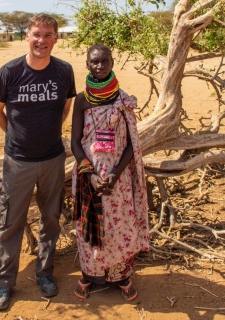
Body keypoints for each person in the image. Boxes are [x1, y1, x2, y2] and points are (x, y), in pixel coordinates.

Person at [0, 13, 76, 311]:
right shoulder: (10, 71)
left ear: (56, 38)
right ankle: (3, 283)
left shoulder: (64, 71)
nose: (42, 40)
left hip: (53, 158)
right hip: (18, 162)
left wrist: (48, 134)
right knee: (10, 221)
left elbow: (66, 106)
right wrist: (15, 136)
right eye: (37, 34)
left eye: (48, 34)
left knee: (51, 219)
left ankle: (44, 273)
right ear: (27, 36)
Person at [71, 44, 149, 301]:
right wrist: (90, 174)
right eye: (94, 61)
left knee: (119, 226)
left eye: (105, 61)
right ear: (87, 64)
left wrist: (115, 173)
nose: (100, 66)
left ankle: (121, 275)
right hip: (88, 176)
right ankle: (89, 273)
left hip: (119, 177)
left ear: (113, 62)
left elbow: (131, 145)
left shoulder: (123, 100)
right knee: (90, 226)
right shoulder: (82, 100)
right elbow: (74, 143)